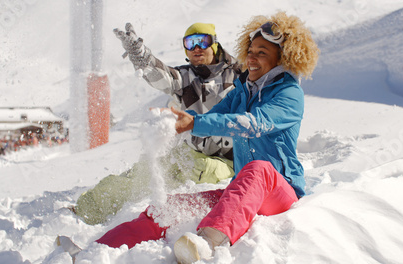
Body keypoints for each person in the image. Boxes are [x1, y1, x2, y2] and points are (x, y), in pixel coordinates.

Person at [89, 11, 319, 264]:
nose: (252, 58)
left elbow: (254, 124)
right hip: (242, 190)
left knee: (259, 169)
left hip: (280, 191)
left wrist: (195, 122)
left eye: (262, 52)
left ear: (282, 58)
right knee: (170, 207)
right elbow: (215, 116)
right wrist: (180, 123)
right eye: (251, 50)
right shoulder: (242, 90)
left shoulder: (289, 93)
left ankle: (207, 241)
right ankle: (96, 250)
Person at [72, 22, 242, 225]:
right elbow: (161, 75)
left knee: (199, 166)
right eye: (190, 43)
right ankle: (85, 210)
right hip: (192, 153)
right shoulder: (185, 77)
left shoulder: (241, 74)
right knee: (141, 175)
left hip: (230, 161)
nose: (197, 48)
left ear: (214, 43)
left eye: (202, 41)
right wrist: (141, 57)